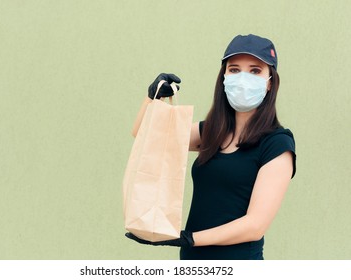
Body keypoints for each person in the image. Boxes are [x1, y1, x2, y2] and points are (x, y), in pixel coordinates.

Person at [126, 34, 296, 260]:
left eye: (255, 71)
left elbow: (255, 226)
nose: (243, 78)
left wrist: (190, 238)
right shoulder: (212, 132)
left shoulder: (277, 144)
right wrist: (152, 99)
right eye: (234, 70)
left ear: (270, 82)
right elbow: (145, 137)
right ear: (224, 77)